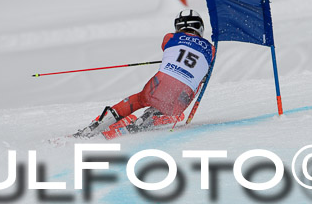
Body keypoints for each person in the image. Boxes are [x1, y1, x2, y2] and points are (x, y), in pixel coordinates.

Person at [74, 9, 215, 139]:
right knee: (176, 102)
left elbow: (171, 49)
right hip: (182, 98)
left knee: (140, 99)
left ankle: (97, 126)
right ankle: (151, 116)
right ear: (200, 28)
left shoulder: (170, 37)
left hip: (160, 84)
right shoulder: (212, 49)